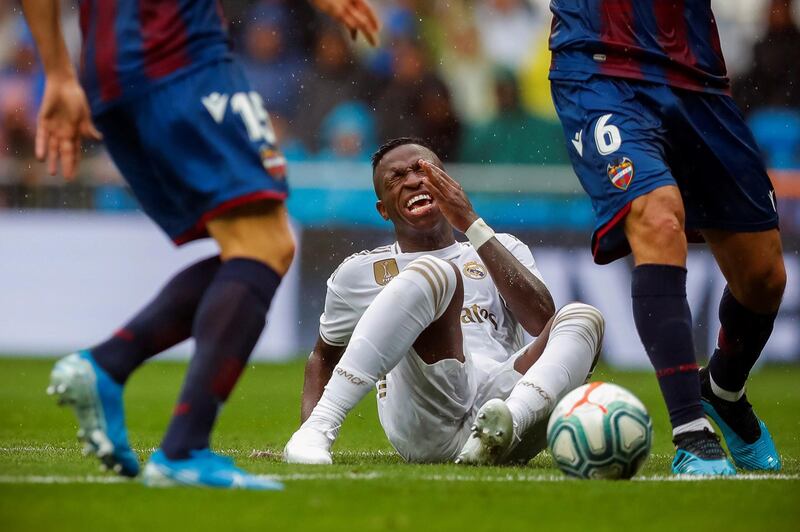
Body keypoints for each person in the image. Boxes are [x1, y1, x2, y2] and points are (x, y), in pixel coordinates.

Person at [23, 0, 380, 489]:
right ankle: (178, 443)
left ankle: (109, 368)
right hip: (179, 57)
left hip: (108, 75)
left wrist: (59, 71)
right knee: (266, 243)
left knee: (256, 244)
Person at [548, 0, 786, 475]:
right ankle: (690, 432)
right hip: (598, 67)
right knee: (656, 216)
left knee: (763, 278)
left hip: (698, 77)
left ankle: (721, 391)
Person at [283, 137, 605, 465]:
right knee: (437, 273)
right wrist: (308, 427)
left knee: (584, 317)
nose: (413, 180)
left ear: (450, 184)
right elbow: (323, 357)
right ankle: (319, 430)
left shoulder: (502, 247)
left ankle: (506, 425)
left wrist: (471, 224)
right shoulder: (357, 273)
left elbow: (541, 320)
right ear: (383, 210)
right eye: (396, 178)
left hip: (510, 413)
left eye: (424, 169)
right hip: (427, 423)